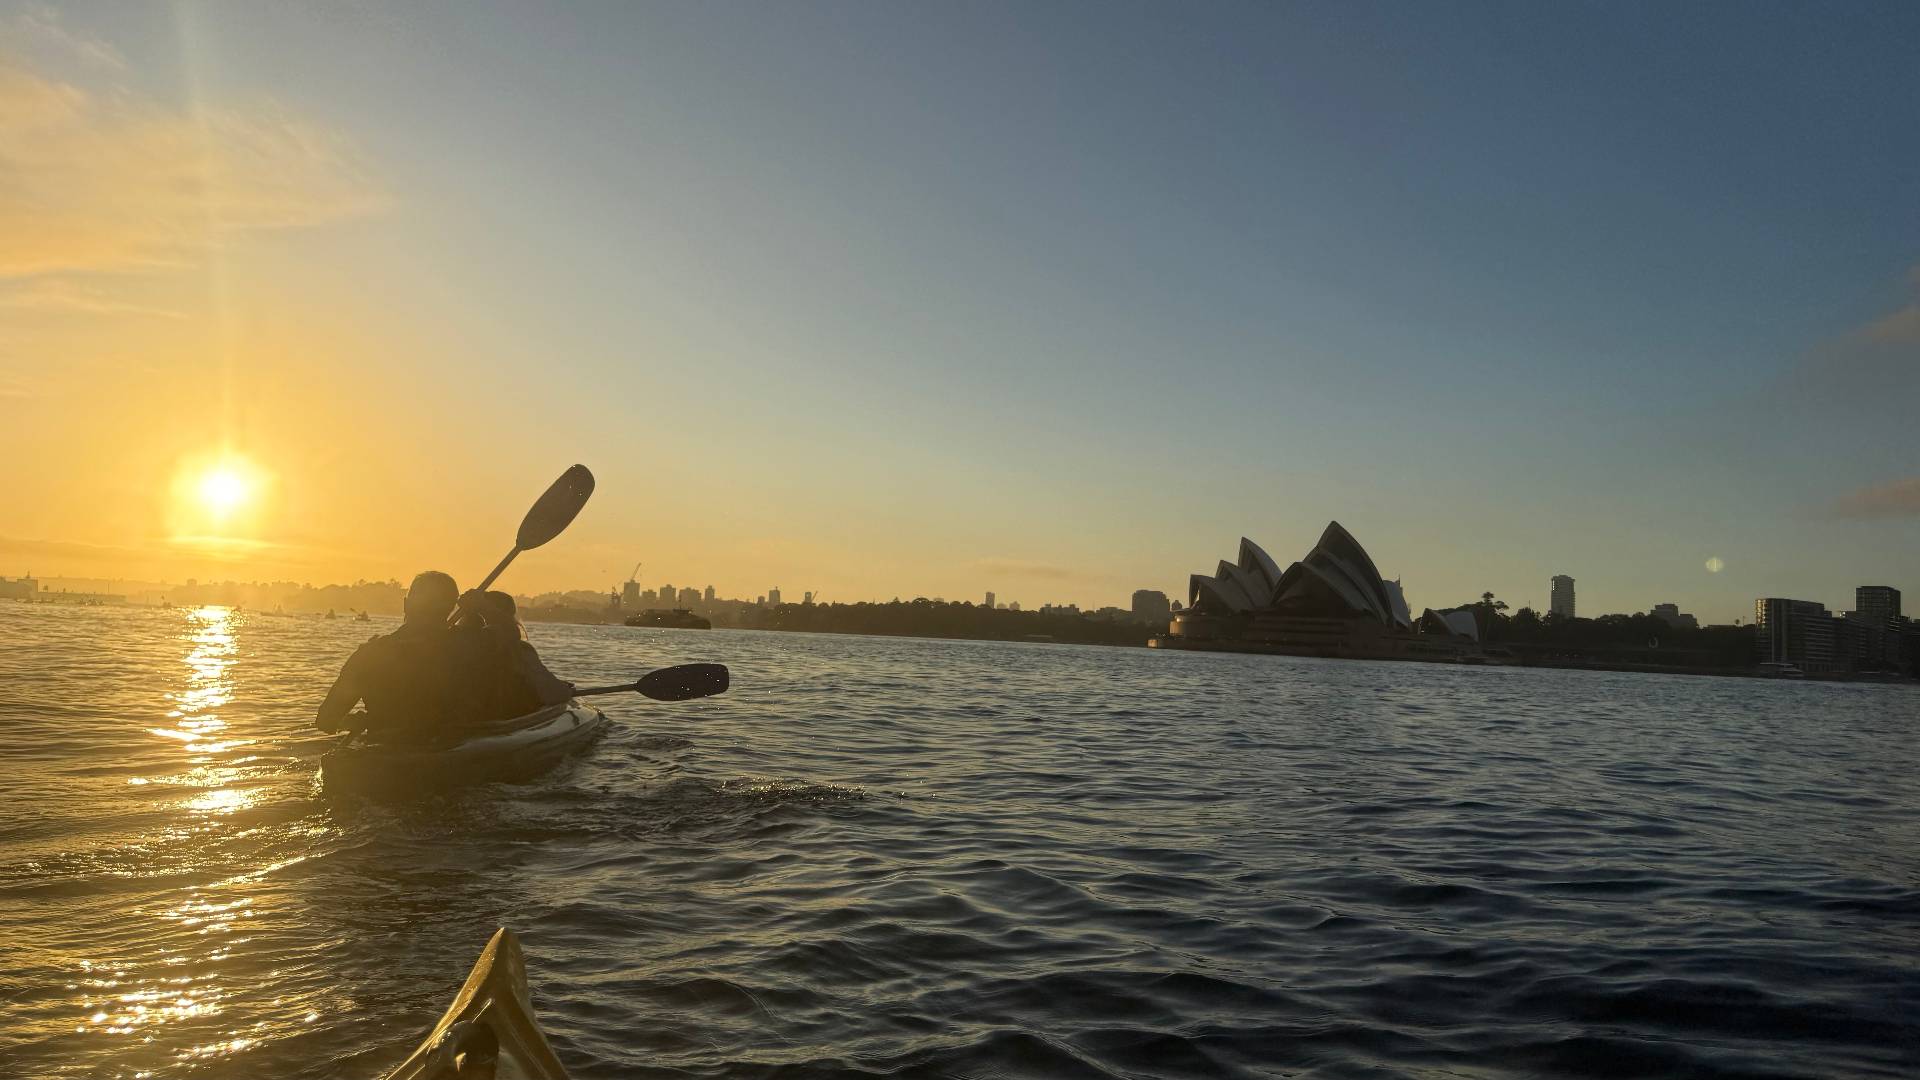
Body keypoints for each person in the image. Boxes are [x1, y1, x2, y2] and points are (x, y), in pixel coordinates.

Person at [316, 571, 487, 743]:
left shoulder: (370, 654)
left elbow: (326, 721)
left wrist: (358, 721)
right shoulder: (471, 646)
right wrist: (482, 610)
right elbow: (506, 638)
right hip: (449, 750)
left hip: (386, 752)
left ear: (406, 605)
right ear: (450, 608)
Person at [472, 590, 575, 720]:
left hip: (471, 715)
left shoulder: (461, 642)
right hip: (503, 716)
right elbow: (553, 693)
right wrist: (565, 691)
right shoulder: (520, 650)